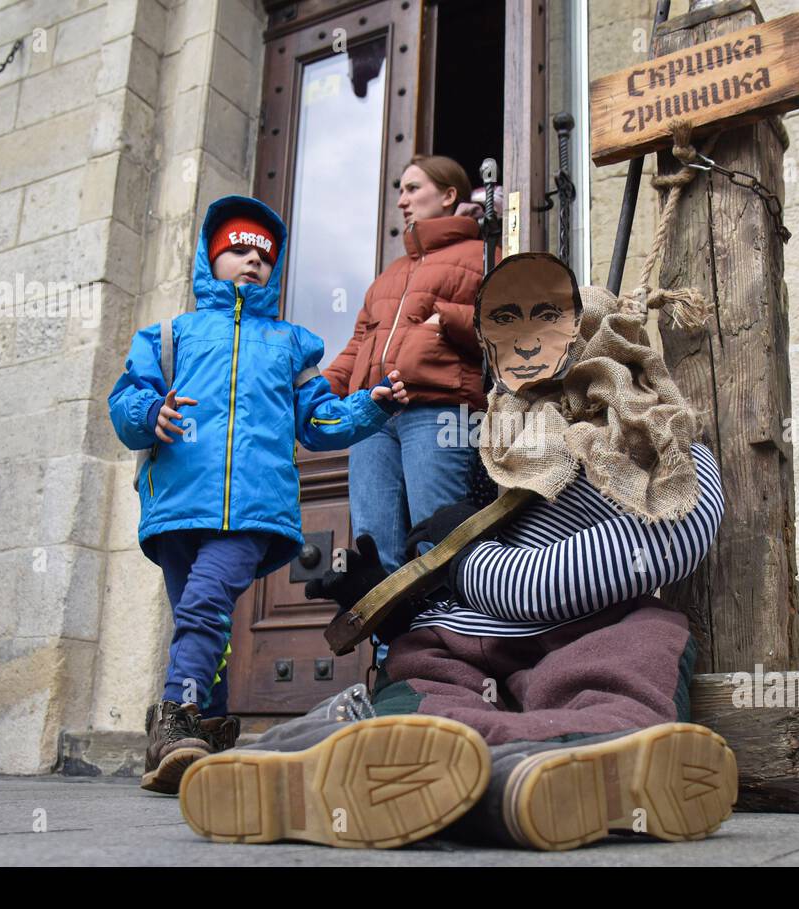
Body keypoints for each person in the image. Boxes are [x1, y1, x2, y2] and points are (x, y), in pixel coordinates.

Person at [174, 259, 740, 851]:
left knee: (641, 642)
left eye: (547, 325)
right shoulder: (496, 452)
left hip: (588, 629)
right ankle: (449, 769)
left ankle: (574, 758)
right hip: (466, 636)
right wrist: (391, 598)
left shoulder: (664, 452)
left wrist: (467, 564)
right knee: (425, 675)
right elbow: (451, 581)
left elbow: (648, 546)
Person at [108, 194, 409, 795]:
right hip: (176, 506)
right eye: (238, 251)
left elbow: (316, 423)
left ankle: (173, 720)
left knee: (203, 605)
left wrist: (368, 409)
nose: (252, 263)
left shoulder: (292, 345)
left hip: (253, 510)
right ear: (210, 259)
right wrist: (150, 413)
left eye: (264, 257)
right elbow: (124, 401)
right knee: (201, 615)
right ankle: (210, 729)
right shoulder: (169, 335)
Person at [322, 155, 490, 575]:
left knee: (440, 540)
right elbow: (358, 345)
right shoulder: (389, 275)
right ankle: (388, 644)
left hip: (438, 410)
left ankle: (449, 637)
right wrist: (312, 395)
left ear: (449, 196)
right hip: (373, 417)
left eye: (413, 188)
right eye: (400, 190)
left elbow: (510, 328)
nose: (402, 200)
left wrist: (444, 319)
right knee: (374, 548)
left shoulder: (485, 255)